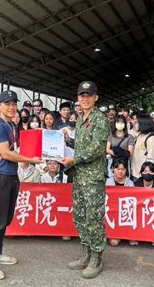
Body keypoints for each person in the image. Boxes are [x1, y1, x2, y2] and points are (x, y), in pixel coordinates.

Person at [0, 90, 42, 280]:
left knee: (6, 218)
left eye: (14, 103)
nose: (11, 107)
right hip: (0, 177)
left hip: (11, 176)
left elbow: (14, 150)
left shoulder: (11, 125)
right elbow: (6, 153)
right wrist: (30, 159)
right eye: (7, 103)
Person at [61, 81, 110, 279]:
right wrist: (67, 141)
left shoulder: (100, 119)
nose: (85, 98)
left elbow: (97, 149)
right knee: (80, 216)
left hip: (93, 179)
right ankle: (86, 254)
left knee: (93, 218)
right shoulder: (81, 118)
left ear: (96, 97)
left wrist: (74, 158)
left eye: (89, 95)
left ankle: (96, 258)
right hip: (79, 176)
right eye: (82, 95)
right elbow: (83, 146)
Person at [105, 158, 134, 247]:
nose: (120, 171)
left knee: (133, 241)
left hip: (125, 213)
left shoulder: (130, 183)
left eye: (123, 169)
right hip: (112, 213)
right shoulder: (108, 182)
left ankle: (126, 234)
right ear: (113, 169)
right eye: (118, 169)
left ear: (126, 170)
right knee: (114, 243)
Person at [130, 114, 154, 180]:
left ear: (143, 124)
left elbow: (151, 160)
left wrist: (146, 175)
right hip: (136, 173)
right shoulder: (140, 135)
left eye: (137, 123)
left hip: (146, 175)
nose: (136, 124)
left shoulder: (152, 139)